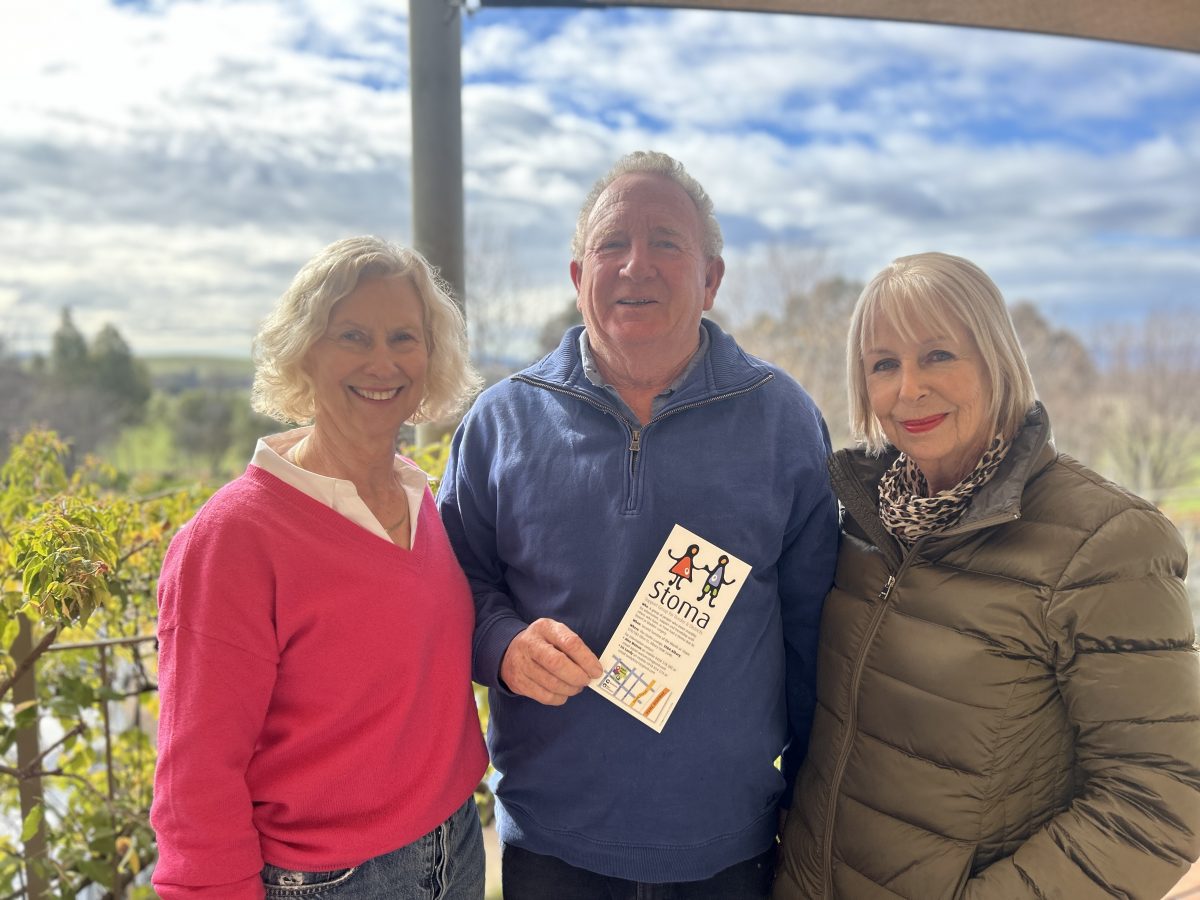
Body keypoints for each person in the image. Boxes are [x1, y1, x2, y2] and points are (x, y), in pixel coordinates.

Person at [438, 150, 840, 898]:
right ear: (576, 275)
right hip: (550, 848)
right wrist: (501, 644)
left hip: (732, 849)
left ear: (711, 278)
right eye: (611, 245)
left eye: (666, 243)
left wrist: (815, 809)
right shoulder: (500, 422)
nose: (636, 266)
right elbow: (452, 583)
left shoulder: (783, 419)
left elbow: (815, 630)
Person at [773, 251, 1200, 899]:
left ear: (997, 358)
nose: (908, 387)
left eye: (938, 355)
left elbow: (1165, 797)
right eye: (884, 364)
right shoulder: (865, 518)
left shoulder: (1104, 541)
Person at [151, 236, 489, 899]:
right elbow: (196, 774)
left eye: (404, 337)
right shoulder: (234, 537)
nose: (383, 361)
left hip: (458, 844)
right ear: (305, 352)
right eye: (353, 336)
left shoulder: (421, 497)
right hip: (332, 881)